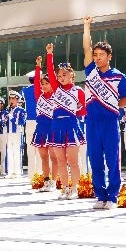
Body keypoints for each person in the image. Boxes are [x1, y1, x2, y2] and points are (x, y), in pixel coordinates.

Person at [83, 16, 126, 209]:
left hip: (110, 122)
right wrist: (87, 26)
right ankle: (100, 196)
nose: (97, 57)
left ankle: (112, 197)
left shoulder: (118, 76)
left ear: (109, 56)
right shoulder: (91, 73)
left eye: (101, 55)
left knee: (112, 159)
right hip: (92, 122)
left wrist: (112, 105)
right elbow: (85, 48)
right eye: (95, 54)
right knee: (94, 159)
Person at [45, 44, 85, 200]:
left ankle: (75, 188)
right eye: (59, 76)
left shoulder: (79, 91)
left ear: (71, 75)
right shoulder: (55, 88)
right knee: (60, 160)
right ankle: (65, 188)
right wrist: (49, 54)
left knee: (73, 161)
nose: (61, 78)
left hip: (71, 126)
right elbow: (49, 70)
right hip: (56, 126)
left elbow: (82, 111)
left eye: (64, 75)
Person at [31, 55, 58, 192]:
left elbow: (53, 75)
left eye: (46, 83)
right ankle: (46, 181)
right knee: (43, 157)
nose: (43, 86)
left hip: (52, 128)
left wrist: (48, 56)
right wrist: (38, 66)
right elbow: (35, 82)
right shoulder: (39, 96)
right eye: (42, 84)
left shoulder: (56, 95)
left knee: (54, 156)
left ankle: (54, 182)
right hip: (41, 128)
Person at [21, 74, 41, 179]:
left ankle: (31, 176)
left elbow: (20, 101)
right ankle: (40, 174)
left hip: (29, 121)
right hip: (40, 120)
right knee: (40, 149)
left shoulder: (24, 90)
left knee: (30, 149)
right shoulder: (42, 89)